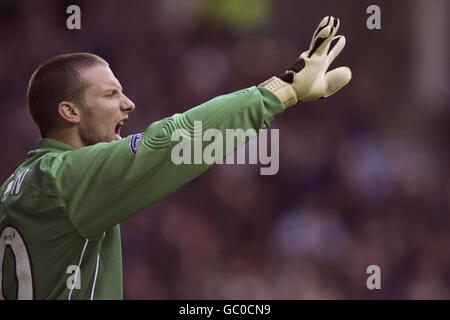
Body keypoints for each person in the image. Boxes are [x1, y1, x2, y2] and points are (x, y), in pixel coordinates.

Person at [0, 16, 351, 299]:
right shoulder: (65, 178)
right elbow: (171, 143)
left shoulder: (16, 187)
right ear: (70, 111)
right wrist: (281, 91)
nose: (128, 103)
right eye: (110, 94)